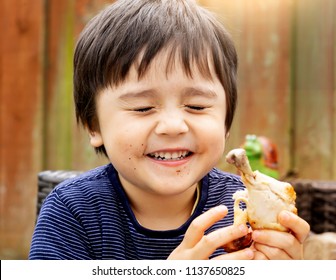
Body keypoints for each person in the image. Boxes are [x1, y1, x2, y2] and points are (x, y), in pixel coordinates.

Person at [29, 0, 310, 260]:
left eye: (197, 106)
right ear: (94, 125)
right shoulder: (72, 213)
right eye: (142, 108)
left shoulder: (247, 208)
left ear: (226, 123)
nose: (174, 126)